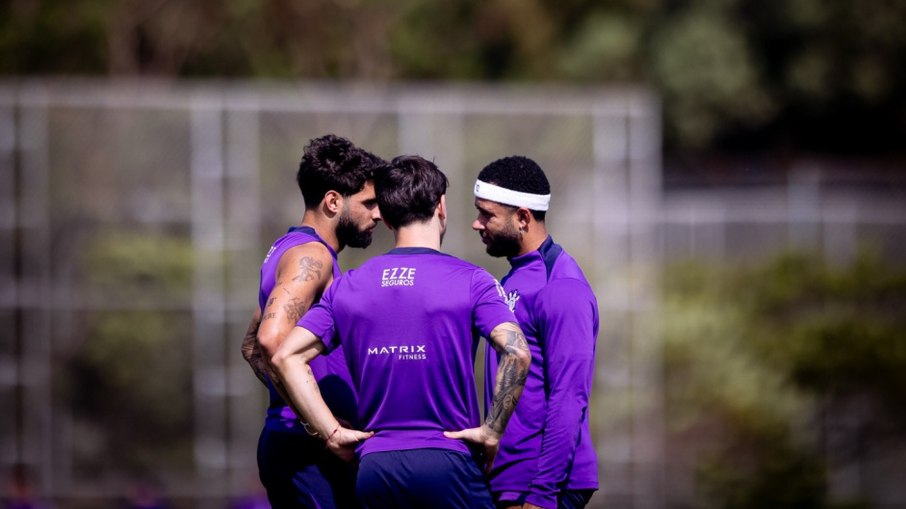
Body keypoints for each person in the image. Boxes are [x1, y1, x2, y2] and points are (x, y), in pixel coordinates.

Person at [271, 155, 532, 509]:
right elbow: (517, 351)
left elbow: (286, 355)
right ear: (441, 206)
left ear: (385, 216)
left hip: (374, 468)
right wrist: (492, 431)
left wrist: (332, 433)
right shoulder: (473, 281)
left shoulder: (348, 286)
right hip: (449, 463)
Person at [240, 134, 384, 509]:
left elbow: (252, 344)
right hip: (307, 455)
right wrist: (325, 429)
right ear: (333, 201)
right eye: (368, 203)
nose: (378, 215)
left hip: (299, 446)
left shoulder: (289, 250)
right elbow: (270, 341)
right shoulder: (312, 258)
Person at [471, 156, 599, 509]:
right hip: (511, 478)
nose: (476, 223)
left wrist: (542, 495)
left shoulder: (561, 284)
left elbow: (570, 395)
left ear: (523, 218)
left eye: (487, 214)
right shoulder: (514, 276)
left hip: (539, 485)